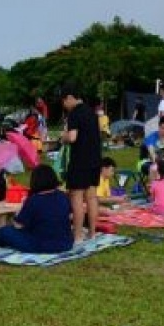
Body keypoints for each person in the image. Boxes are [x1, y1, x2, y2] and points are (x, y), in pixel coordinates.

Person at [0, 164, 73, 254]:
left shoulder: (34, 200)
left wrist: (20, 209)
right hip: (66, 243)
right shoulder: (62, 195)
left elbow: (18, 226)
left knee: (4, 231)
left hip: (40, 245)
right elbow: (70, 216)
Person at [60, 83, 102, 244]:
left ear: (70, 98)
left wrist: (62, 137)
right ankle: (92, 233)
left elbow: (72, 137)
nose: (64, 105)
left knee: (76, 197)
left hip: (80, 160)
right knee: (91, 198)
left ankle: (77, 236)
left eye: (64, 101)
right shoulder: (92, 112)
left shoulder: (74, 114)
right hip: (95, 159)